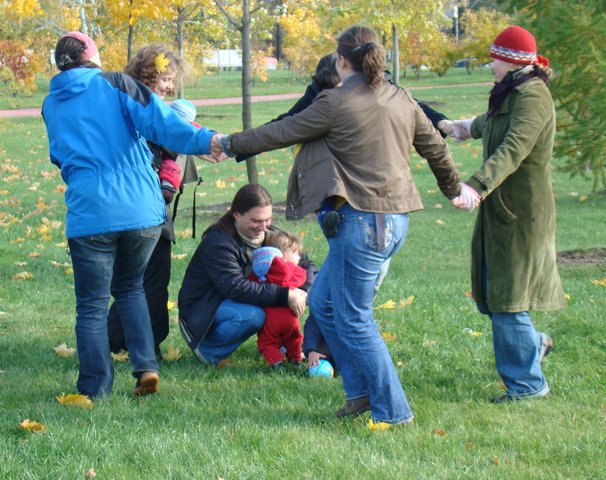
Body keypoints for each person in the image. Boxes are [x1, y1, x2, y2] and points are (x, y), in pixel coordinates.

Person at [215, 26, 477, 428]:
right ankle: (359, 394)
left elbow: (283, 130)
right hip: (392, 223)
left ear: (341, 61)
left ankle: (394, 411)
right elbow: (436, 147)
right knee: (323, 304)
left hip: (362, 224)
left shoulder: (335, 102)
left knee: (354, 317)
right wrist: (452, 188)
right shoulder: (402, 98)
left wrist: (231, 143)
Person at [42, 32, 222, 398]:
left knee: (91, 305)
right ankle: (145, 368)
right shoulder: (116, 84)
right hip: (141, 210)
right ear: (92, 55)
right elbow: (164, 126)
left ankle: (95, 389)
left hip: (88, 215)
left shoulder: (51, 103)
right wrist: (209, 140)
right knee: (131, 289)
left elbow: (58, 155)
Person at [453, 26, 566, 403]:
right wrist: (463, 127)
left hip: (522, 215)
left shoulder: (533, 97)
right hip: (502, 212)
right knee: (491, 295)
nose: (490, 65)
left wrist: (476, 184)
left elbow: (514, 146)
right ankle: (533, 343)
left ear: (512, 61)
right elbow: (493, 123)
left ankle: (527, 385)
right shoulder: (514, 91)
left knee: (507, 300)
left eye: (495, 58)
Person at [107, 47, 207, 357]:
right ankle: (142, 342)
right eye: (164, 79)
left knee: (132, 280)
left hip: (127, 203)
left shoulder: (121, 100)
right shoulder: (140, 107)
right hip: (143, 205)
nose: (167, 87)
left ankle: (120, 340)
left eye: (170, 81)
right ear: (149, 74)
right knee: (148, 279)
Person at [177, 184, 309, 367]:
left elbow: (305, 264)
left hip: (234, 301)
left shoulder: (270, 235)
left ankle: (283, 344)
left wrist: (302, 292)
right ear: (236, 214)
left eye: (268, 219)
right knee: (253, 315)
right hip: (204, 310)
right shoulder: (218, 243)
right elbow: (236, 288)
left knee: (291, 295)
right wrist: (285, 295)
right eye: (256, 221)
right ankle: (209, 351)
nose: (263, 227)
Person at [249, 231, 307, 370]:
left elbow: (250, 285)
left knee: (267, 343)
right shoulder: (296, 270)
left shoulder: (262, 272)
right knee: (294, 339)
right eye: (296, 253)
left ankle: (276, 362)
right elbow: (303, 277)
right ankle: (295, 360)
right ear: (285, 255)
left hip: (270, 319)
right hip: (291, 317)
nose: (299, 257)